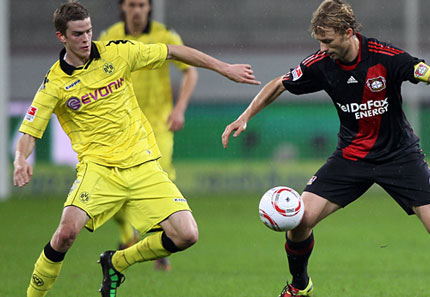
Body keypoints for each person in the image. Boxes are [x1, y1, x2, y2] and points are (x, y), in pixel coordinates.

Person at [222, 1, 430, 296]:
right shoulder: (320, 63)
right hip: (351, 157)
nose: (322, 48)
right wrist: (244, 116)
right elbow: (278, 84)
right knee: (300, 220)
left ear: (348, 33)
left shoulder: (386, 57)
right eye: (319, 41)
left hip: (400, 156)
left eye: (328, 41)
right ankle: (300, 285)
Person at [13, 2, 259, 297]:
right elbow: (29, 130)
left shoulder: (118, 53)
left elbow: (173, 51)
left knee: (187, 234)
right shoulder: (54, 84)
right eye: (78, 34)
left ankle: (117, 262)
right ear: (61, 37)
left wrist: (224, 68)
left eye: (89, 31)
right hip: (99, 170)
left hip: (142, 164)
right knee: (65, 234)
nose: (86, 39)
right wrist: (19, 159)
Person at [99, 0, 198, 271]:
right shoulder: (110, 37)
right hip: (121, 126)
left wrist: (180, 108)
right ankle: (126, 237)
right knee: (110, 186)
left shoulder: (165, 34)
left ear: (149, 8)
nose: (137, 10)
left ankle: (161, 241)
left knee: (160, 181)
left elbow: (190, 72)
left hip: (158, 124)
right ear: (123, 7)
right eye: (132, 4)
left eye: (142, 4)